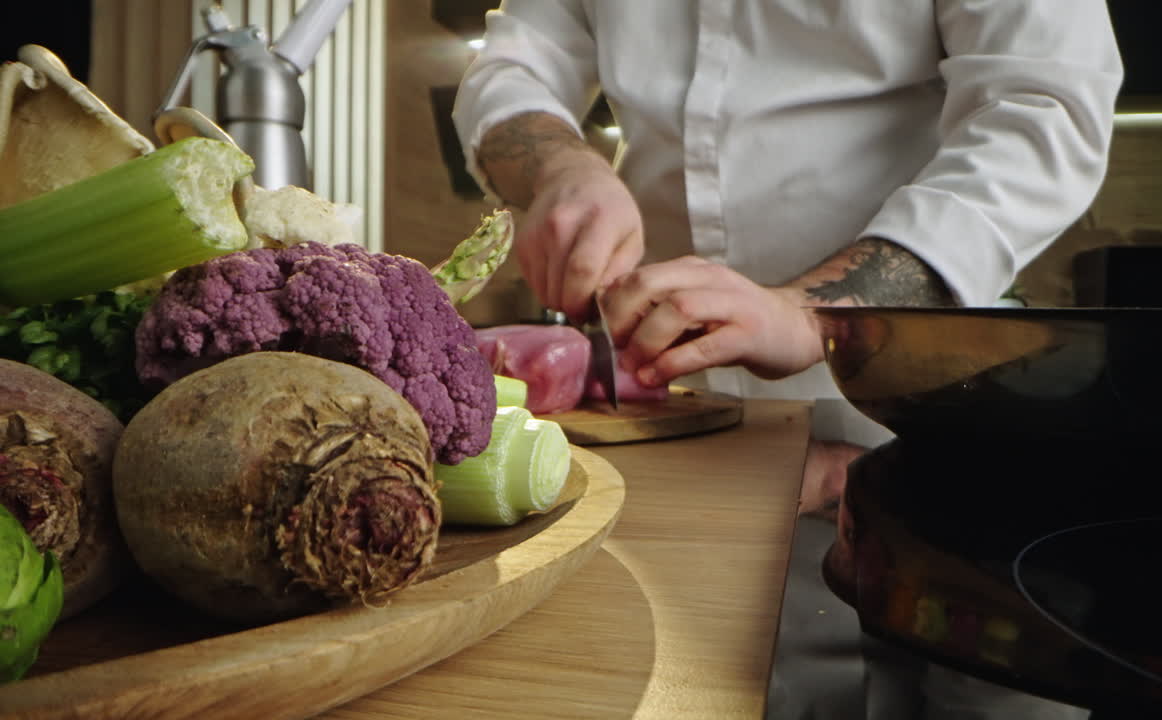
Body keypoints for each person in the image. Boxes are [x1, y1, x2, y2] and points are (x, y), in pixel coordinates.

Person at [453, 3, 1123, 718]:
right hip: (672, 418)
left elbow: (1045, 105)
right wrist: (559, 165)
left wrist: (819, 310)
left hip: (925, 413)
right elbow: (514, 64)